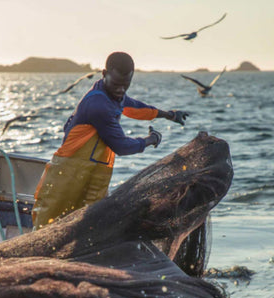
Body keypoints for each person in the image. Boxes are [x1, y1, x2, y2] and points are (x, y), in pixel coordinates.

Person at [32, 52, 189, 230]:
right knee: (48, 227)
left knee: (90, 229)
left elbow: (135, 108)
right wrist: (150, 140)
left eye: (126, 85)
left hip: (95, 174)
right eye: (116, 85)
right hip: (67, 173)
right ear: (104, 74)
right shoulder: (98, 105)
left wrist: (170, 115)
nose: (121, 90)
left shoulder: (114, 95)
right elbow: (121, 146)